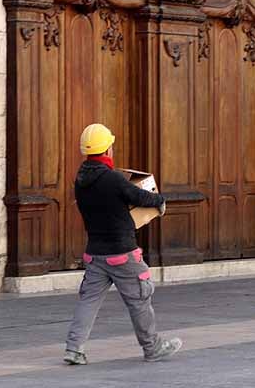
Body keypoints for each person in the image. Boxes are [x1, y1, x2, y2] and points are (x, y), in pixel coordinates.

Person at [64, 123, 183, 365]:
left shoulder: (80, 179)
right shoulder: (112, 179)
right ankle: (152, 348)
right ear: (107, 150)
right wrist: (160, 200)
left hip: (95, 254)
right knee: (140, 299)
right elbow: (138, 196)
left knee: (88, 301)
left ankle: (74, 349)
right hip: (122, 253)